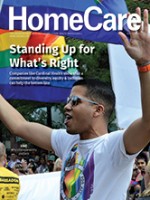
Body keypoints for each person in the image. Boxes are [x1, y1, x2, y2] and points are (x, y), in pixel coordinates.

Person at [0, 7, 149, 200]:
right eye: (68, 101)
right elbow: (19, 126)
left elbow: (147, 123)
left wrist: (144, 64)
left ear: (98, 110)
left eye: (75, 101)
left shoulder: (115, 147)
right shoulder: (69, 142)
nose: (66, 106)